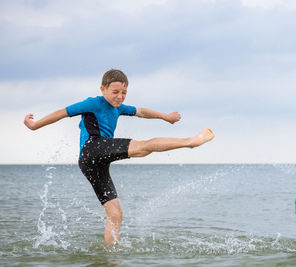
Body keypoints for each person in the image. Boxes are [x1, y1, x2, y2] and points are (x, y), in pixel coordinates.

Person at [23, 69, 215, 245]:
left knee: (115, 213)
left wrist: (166, 116)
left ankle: (109, 258)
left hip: (92, 163)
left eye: (124, 93)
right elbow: (61, 113)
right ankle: (191, 142)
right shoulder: (93, 103)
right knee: (143, 147)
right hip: (92, 149)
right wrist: (34, 125)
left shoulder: (119, 107)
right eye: (115, 92)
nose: (120, 97)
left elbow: (141, 112)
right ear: (103, 88)